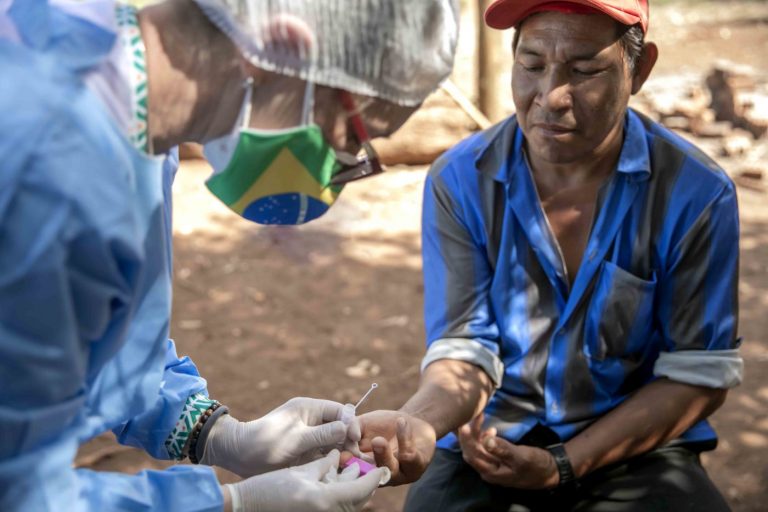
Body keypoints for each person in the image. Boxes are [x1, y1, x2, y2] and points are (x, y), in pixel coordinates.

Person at [0, 0, 459, 510]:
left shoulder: (127, 110)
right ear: (280, 46)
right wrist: (229, 503)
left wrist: (216, 434)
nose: (337, 168)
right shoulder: (51, 171)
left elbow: (89, 338)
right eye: (352, 135)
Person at [354, 1, 743, 510]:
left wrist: (563, 464)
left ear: (639, 69)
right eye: (532, 65)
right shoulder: (461, 180)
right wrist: (417, 423)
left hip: (631, 442)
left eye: (584, 70)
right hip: (489, 438)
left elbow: (697, 375)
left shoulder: (696, 193)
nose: (551, 97)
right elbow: (465, 348)